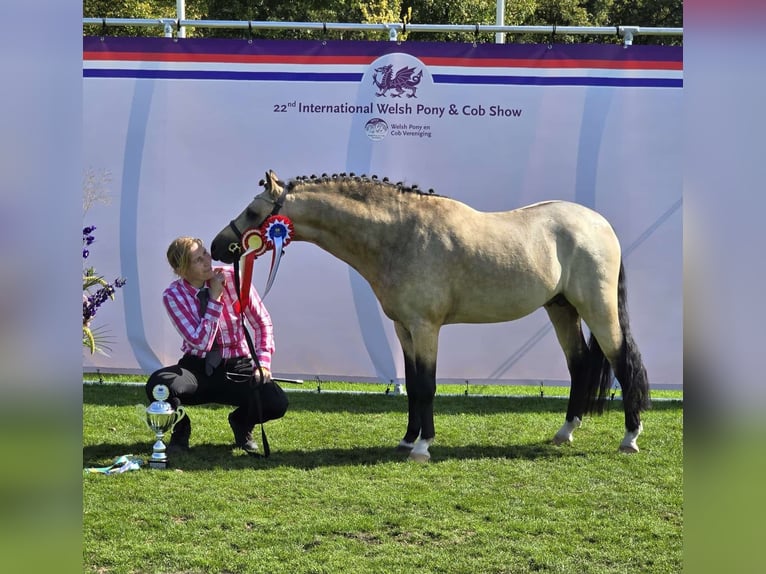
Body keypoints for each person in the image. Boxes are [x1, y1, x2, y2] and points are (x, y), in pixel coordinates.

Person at [145, 236, 275, 455]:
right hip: (197, 367)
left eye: (205, 252)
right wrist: (214, 299)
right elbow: (201, 343)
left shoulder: (233, 277)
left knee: (276, 401)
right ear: (182, 269)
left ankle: (242, 423)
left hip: (237, 365)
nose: (208, 260)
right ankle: (181, 427)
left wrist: (263, 363)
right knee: (159, 385)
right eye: (198, 259)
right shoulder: (173, 295)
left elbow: (263, 323)